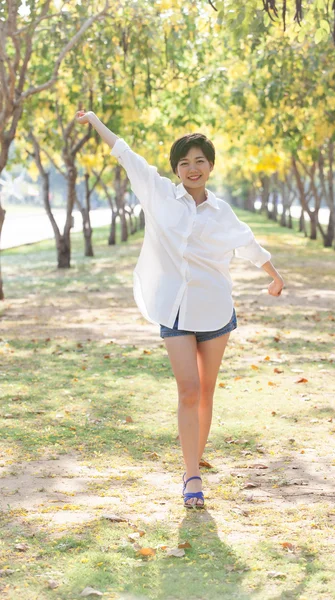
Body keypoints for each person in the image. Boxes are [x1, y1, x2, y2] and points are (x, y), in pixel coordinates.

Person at [75, 110, 284, 508]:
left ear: (210, 167)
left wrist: (274, 276)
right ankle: (192, 475)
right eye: (185, 162)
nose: (192, 168)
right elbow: (125, 153)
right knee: (188, 390)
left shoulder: (222, 211)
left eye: (199, 161)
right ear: (175, 169)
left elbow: (248, 243)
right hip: (174, 310)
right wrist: (97, 121)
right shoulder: (158, 194)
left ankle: (195, 456)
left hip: (216, 311)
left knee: (205, 392)